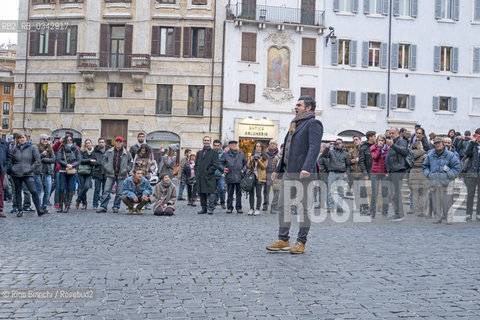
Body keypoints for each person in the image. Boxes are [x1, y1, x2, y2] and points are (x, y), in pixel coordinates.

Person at [267, 96, 323, 254]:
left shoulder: (314, 123)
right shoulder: (295, 123)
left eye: (299, 105)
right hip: (289, 172)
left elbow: (314, 148)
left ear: (309, 108)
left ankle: (301, 242)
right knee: (282, 205)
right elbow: (287, 150)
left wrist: (307, 167)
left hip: (304, 174)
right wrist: (278, 169)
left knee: (304, 208)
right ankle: (283, 239)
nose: (295, 107)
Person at [423, 137, 460, 224]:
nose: (437, 145)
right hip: (434, 181)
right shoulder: (430, 155)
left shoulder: (451, 155)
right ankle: (437, 217)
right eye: (436, 143)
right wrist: (428, 174)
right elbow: (425, 166)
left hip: (447, 182)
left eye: (439, 143)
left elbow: (457, 168)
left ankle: (449, 218)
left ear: (443, 144)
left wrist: (448, 174)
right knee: (436, 202)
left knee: (448, 202)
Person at [10, 132, 46, 217]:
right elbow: (10, 160)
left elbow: (37, 161)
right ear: (17, 140)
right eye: (19, 138)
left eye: (23, 137)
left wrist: (31, 169)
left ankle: (39, 209)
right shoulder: (14, 149)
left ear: (26, 138)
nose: (21, 139)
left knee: (33, 191)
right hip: (16, 174)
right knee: (18, 192)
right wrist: (12, 169)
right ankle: (20, 210)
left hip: (28, 173)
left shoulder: (32, 148)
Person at [97, 137, 133, 213]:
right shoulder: (109, 151)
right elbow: (104, 159)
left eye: (120, 142)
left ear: (122, 143)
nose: (118, 143)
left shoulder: (126, 153)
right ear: (115, 142)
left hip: (122, 175)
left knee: (120, 192)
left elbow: (131, 163)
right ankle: (103, 206)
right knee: (106, 191)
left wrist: (126, 169)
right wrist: (107, 167)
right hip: (110, 174)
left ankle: (116, 207)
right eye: (117, 141)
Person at [385, 127, 409, 221]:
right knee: (392, 194)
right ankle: (397, 213)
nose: (391, 135)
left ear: (398, 133)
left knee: (396, 193)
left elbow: (404, 152)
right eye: (390, 133)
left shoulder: (401, 141)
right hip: (392, 170)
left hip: (399, 170)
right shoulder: (392, 142)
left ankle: (400, 214)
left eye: (393, 133)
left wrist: (393, 145)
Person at [322, 138, 350, 213]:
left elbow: (348, 165)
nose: (338, 144)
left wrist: (346, 173)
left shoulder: (345, 154)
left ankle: (339, 207)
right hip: (332, 173)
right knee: (330, 191)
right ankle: (330, 207)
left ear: (342, 144)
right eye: (336, 143)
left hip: (341, 173)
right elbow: (324, 155)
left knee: (340, 191)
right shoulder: (330, 151)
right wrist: (328, 147)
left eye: (340, 143)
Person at [55, 134, 81, 213]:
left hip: (72, 170)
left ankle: (67, 205)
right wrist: (66, 165)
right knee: (61, 188)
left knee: (70, 188)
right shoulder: (62, 148)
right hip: (63, 169)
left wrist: (72, 165)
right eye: (68, 140)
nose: (69, 141)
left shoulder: (76, 149)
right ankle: (60, 206)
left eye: (71, 140)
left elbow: (79, 160)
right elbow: (58, 159)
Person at [221, 140, 247, 214]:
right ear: (229, 146)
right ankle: (229, 208)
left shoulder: (241, 154)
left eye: (235, 144)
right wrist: (223, 169)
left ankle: (239, 208)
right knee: (230, 193)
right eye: (232, 144)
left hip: (239, 176)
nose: (234, 145)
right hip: (230, 176)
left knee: (239, 194)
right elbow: (220, 163)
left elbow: (246, 163)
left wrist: (244, 169)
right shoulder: (225, 154)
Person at [195, 136, 219, 215]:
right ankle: (204, 208)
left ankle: (210, 208)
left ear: (210, 142)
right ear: (203, 141)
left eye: (208, 140)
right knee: (201, 192)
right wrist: (196, 172)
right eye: (205, 140)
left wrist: (209, 171)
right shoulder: (199, 153)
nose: (206, 142)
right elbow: (196, 164)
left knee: (211, 192)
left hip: (210, 176)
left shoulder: (214, 152)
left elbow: (216, 165)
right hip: (200, 176)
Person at [369, 135, 389, 218]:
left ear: (385, 141)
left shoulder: (388, 149)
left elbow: (389, 160)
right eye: (379, 140)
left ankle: (385, 212)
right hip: (375, 173)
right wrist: (379, 148)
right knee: (374, 193)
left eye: (382, 140)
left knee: (385, 193)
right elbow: (375, 157)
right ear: (377, 141)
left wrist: (388, 171)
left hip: (384, 173)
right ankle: (372, 212)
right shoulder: (373, 148)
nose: (381, 142)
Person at [34, 134, 55, 212]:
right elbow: (35, 159)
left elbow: (53, 159)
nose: (46, 140)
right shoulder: (36, 148)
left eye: (47, 139)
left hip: (48, 171)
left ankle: (44, 206)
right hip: (38, 172)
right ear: (40, 140)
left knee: (48, 191)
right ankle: (39, 208)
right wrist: (42, 155)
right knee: (38, 190)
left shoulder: (50, 148)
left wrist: (44, 159)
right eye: (44, 139)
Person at [246, 142, 268, 216]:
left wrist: (258, 160)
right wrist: (251, 160)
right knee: (251, 193)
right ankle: (251, 208)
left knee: (258, 194)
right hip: (251, 177)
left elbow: (264, 167)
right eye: (256, 146)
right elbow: (248, 166)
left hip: (260, 177)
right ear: (255, 148)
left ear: (262, 148)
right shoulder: (251, 156)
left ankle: (258, 209)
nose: (258, 148)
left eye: (259, 146)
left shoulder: (265, 156)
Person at [463, 129, 480, 222]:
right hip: (471, 173)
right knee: (470, 194)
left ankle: (478, 214)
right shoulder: (472, 144)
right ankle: (468, 214)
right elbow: (467, 153)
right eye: (478, 135)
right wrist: (472, 142)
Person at [408, 141, 428, 217]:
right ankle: (422, 211)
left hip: (413, 174)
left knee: (415, 194)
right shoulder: (424, 155)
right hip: (422, 174)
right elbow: (427, 164)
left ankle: (415, 210)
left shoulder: (410, 154)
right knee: (423, 194)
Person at [358, 131, 375, 215]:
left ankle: (372, 207)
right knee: (364, 191)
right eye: (374, 136)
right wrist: (365, 173)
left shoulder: (376, 146)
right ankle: (364, 207)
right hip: (367, 172)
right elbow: (361, 161)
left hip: (375, 172)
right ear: (370, 137)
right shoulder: (363, 148)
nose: (375, 137)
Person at [76, 139, 95, 210]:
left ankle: (78, 200)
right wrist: (89, 160)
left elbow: (95, 162)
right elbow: (80, 160)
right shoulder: (82, 151)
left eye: (89, 143)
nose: (88, 144)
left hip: (89, 173)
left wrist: (87, 161)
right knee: (81, 188)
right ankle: (84, 204)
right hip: (81, 172)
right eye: (86, 143)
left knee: (86, 187)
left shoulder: (94, 152)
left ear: (91, 144)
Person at [92, 138, 109, 209]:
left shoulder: (109, 151)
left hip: (106, 172)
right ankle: (95, 204)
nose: (101, 143)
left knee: (105, 190)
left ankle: (103, 204)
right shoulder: (95, 151)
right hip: (97, 172)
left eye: (102, 142)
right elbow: (92, 161)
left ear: (105, 143)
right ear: (98, 143)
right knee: (97, 189)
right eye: (100, 142)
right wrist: (97, 162)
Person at [263, 139, 279, 211]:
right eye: (271, 143)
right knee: (266, 191)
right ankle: (266, 204)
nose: (272, 145)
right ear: (269, 144)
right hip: (266, 174)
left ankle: (275, 205)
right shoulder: (265, 153)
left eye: (274, 143)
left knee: (276, 191)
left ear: (276, 145)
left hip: (276, 175)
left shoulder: (279, 153)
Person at [213, 140, 226, 209]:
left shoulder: (224, 154)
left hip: (221, 174)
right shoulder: (211, 153)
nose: (216, 147)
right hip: (212, 175)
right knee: (213, 190)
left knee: (222, 188)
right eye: (215, 145)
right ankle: (214, 202)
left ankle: (222, 202)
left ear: (220, 146)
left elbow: (227, 164)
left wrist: (224, 173)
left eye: (218, 146)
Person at [0, 129, 10, 218]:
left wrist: (5, 168)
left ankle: (0, 210)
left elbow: (8, 157)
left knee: (0, 191)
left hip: (1, 170)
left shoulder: (4, 143)